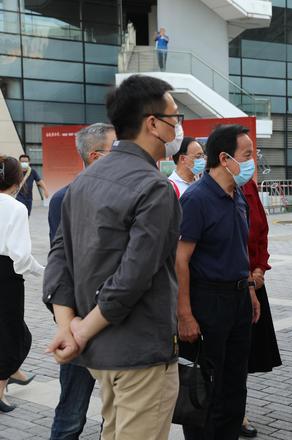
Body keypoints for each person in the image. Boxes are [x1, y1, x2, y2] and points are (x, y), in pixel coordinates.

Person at [43, 74, 183, 440]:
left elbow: (60, 256)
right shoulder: (154, 187)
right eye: (175, 118)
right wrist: (78, 331)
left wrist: (67, 327)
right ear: (153, 123)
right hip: (140, 352)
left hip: (101, 354)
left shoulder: (83, 181)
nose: (177, 128)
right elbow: (132, 277)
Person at [176, 124, 260, 440]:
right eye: (248, 155)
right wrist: (184, 314)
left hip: (238, 299)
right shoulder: (196, 199)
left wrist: (249, 291)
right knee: (204, 386)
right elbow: (179, 259)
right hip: (207, 302)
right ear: (225, 158)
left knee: (234, 385)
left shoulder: (237, 196)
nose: (254, 161)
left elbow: (240, 250)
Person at [47, 122, 115, 440]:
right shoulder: (66, 198)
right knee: (71, 412)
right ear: (96, 156)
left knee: (114, 412)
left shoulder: (124, 194)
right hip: (78, 319)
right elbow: (62, 264)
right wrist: (69, 322)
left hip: (113, 320)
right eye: (118, 149)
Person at [0, 155, 44, 413]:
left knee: (12, 329)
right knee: (12, 332)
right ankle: (2, 385)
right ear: (18, 180)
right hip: (6, 275)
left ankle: (14, 371)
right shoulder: (16, 208)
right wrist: (42, 271)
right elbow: (21, 255)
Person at [240, 177, 282, 438]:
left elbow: (262, 231)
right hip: (228, 286)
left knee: (244, 355)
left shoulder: (249, 187)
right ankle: (224, 413)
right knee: (225, 357)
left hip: (255, 282)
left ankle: (238, 413)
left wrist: (259, 268)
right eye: (245, 155)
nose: (250, 162)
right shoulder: (206, 192)